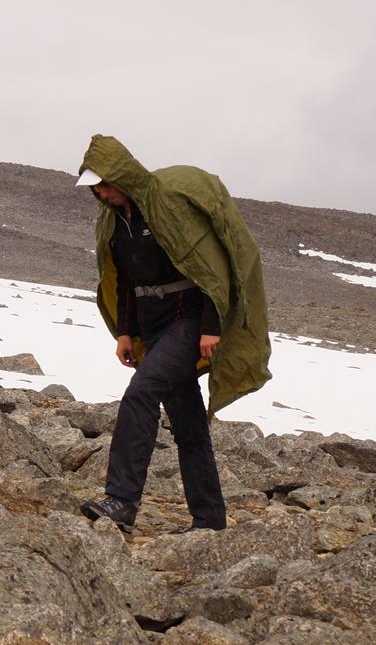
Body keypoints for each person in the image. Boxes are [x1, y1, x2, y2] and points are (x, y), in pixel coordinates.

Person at [75, 135, 271, 533]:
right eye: (95, 187)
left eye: (105, 183)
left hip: (188, 319)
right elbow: (124, 280)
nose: (101, 192)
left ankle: (123, 501)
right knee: (187, 424)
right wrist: (125, 332)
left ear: (123, 175)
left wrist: (211, 328)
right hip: (153, 324)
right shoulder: (114, 222)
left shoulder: (164, 210)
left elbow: (206, 270)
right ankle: (210, 520)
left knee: (141, 393)